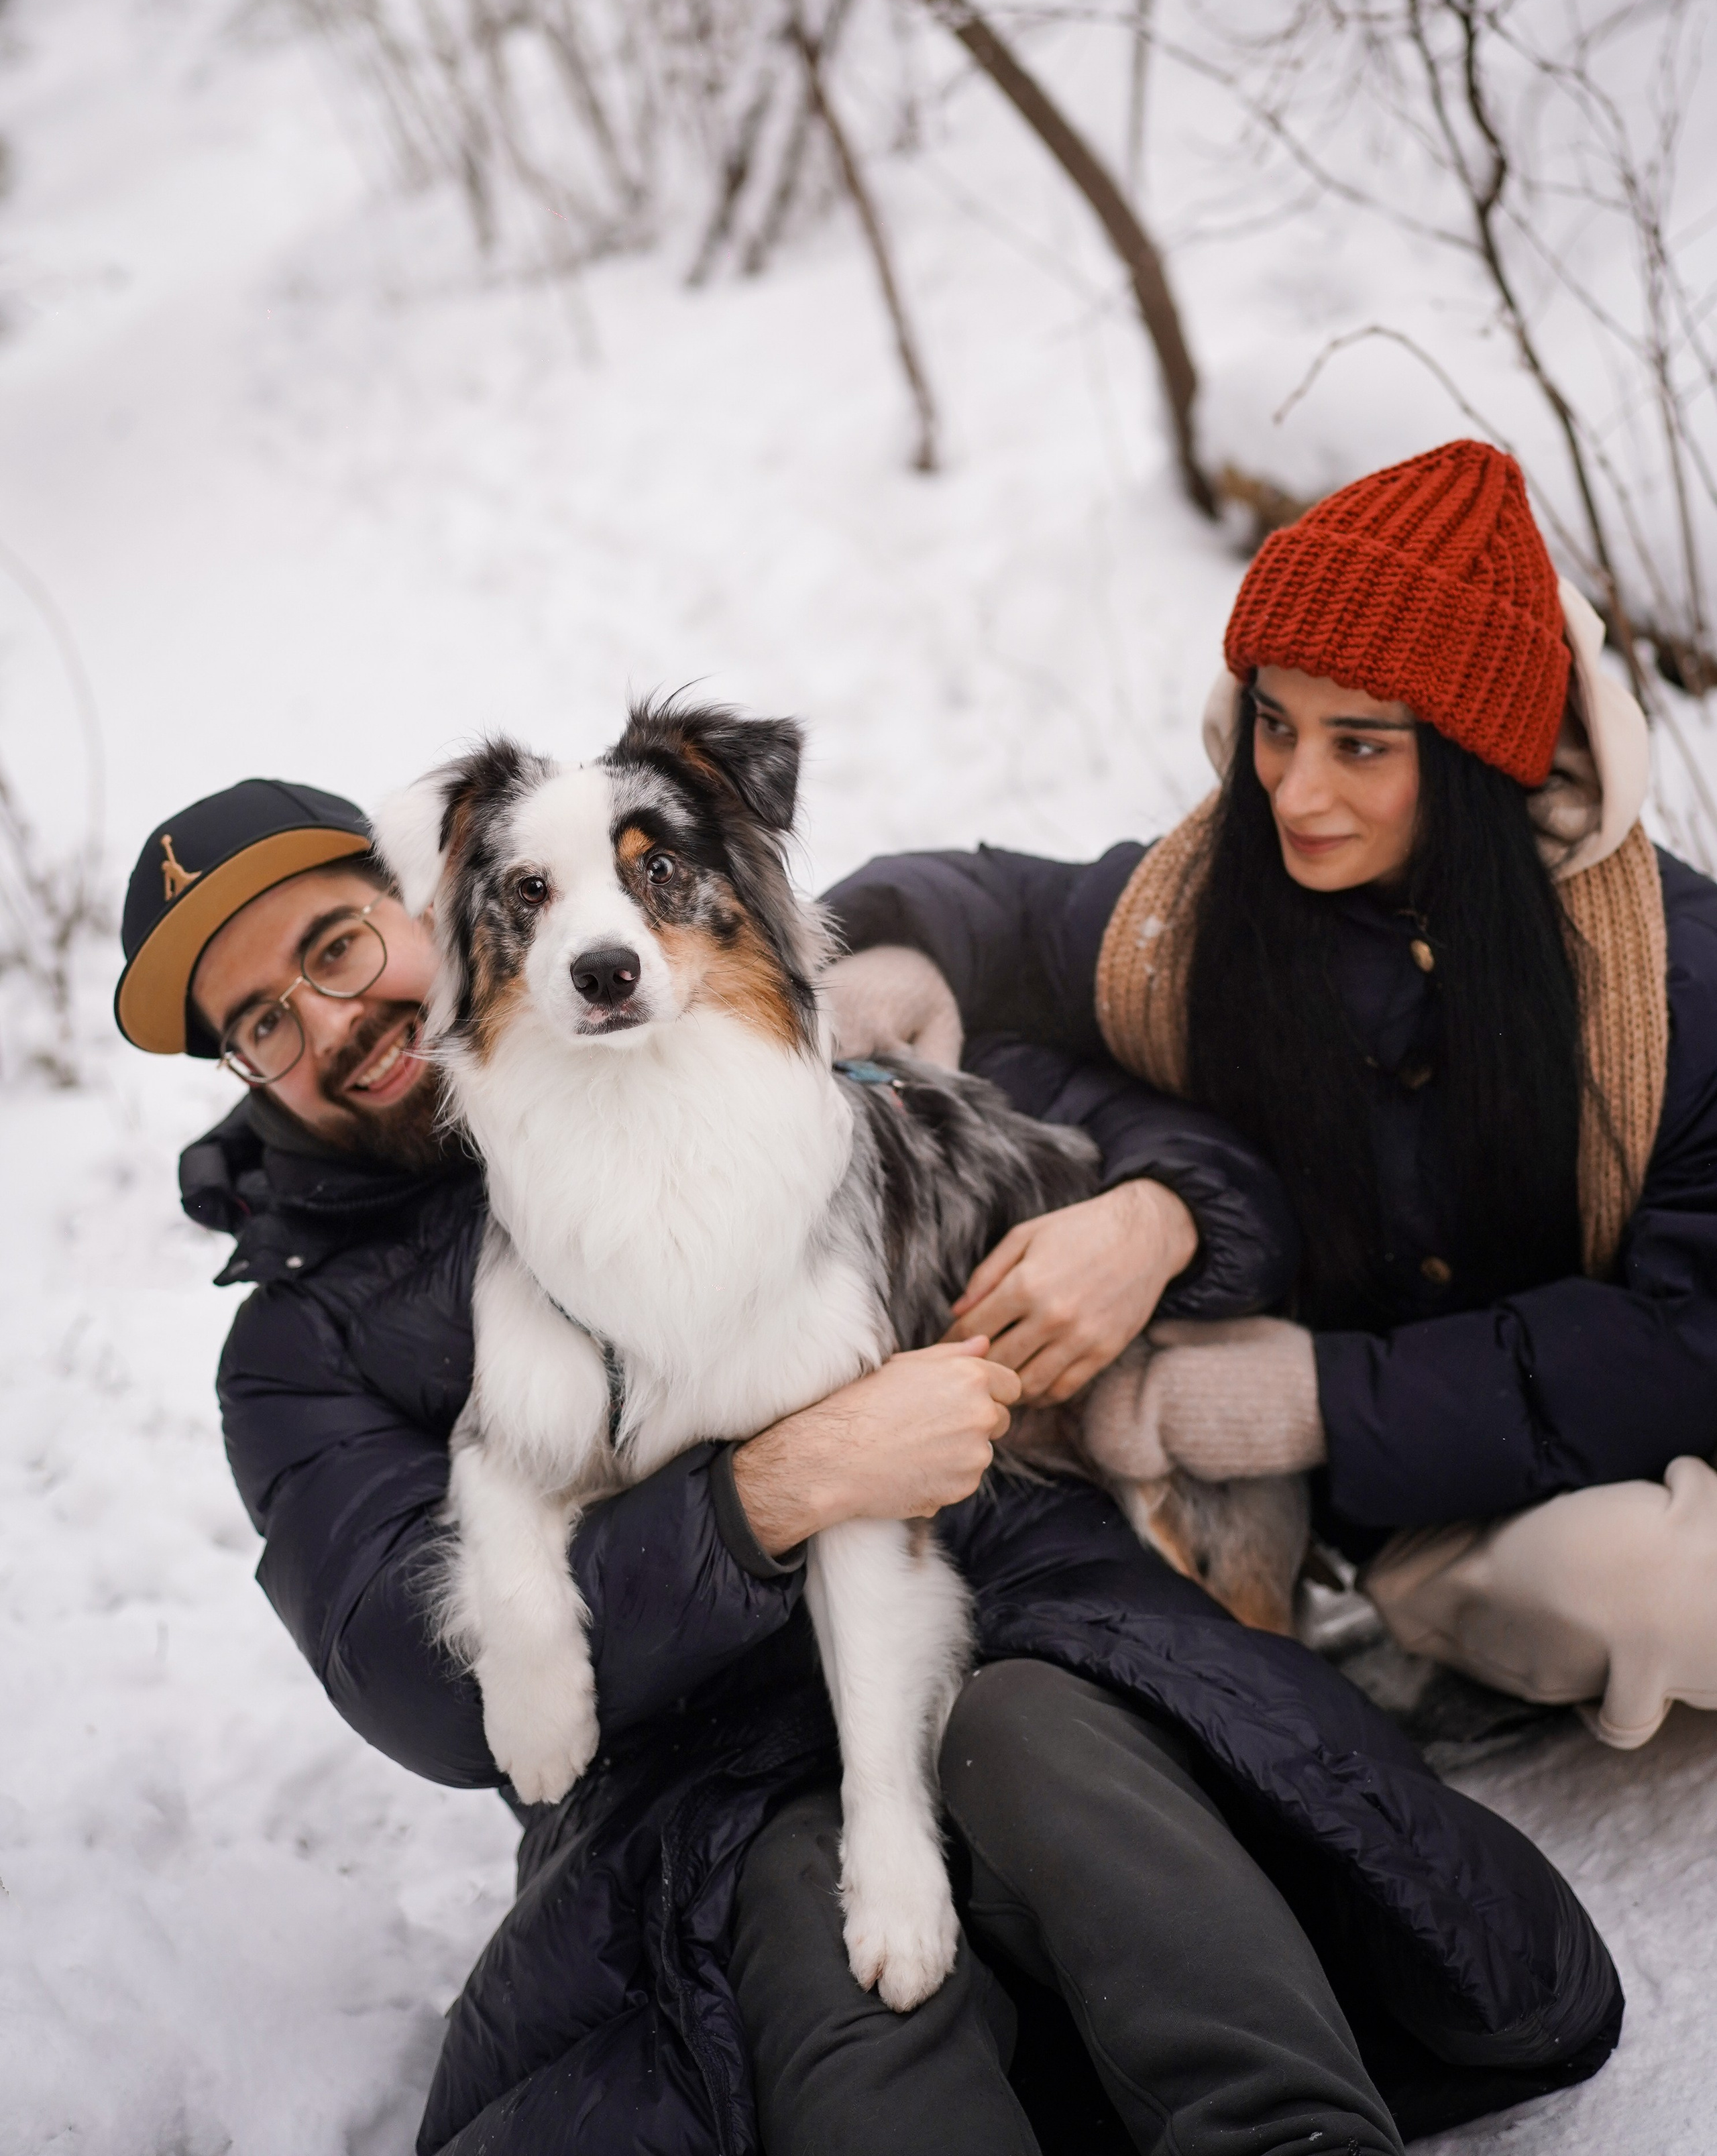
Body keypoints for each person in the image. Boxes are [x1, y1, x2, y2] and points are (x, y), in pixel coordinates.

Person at [114, 760, 1621, 2156]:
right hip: (685, 1767)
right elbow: (415, 1674)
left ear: (425, 902)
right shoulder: (295, 1355)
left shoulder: (757, 1034)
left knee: (1048, 1739)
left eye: (332, 949)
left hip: (1018, 1608)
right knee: (780, 1898)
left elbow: (1132, 1140)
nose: (324, 1024)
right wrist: (780, 1488)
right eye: (258, 1024)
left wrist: (1148, 1222)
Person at [826, 435, 1717, 1757]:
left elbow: (1687, 1344)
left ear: (1480, 761)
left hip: (1632, 1444)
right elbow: (999, 910)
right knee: (1623, 1584)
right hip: (1425, 1517)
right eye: (1274, 725)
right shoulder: (1204, 914)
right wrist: (884, 957)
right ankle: (1418, 1637)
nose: (1294, 791)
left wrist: (1303, 1399)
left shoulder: (1670, 982)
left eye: (1360, 746)